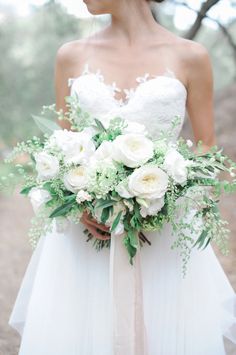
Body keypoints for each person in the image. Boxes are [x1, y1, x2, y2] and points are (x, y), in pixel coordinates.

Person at [9, 0, 236, 354]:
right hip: (85, 238)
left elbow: (206, 148)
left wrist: (166, 199)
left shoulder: (191, 56)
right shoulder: (69, 56)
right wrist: (76, 202)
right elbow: (62, 145)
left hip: (164, 236)